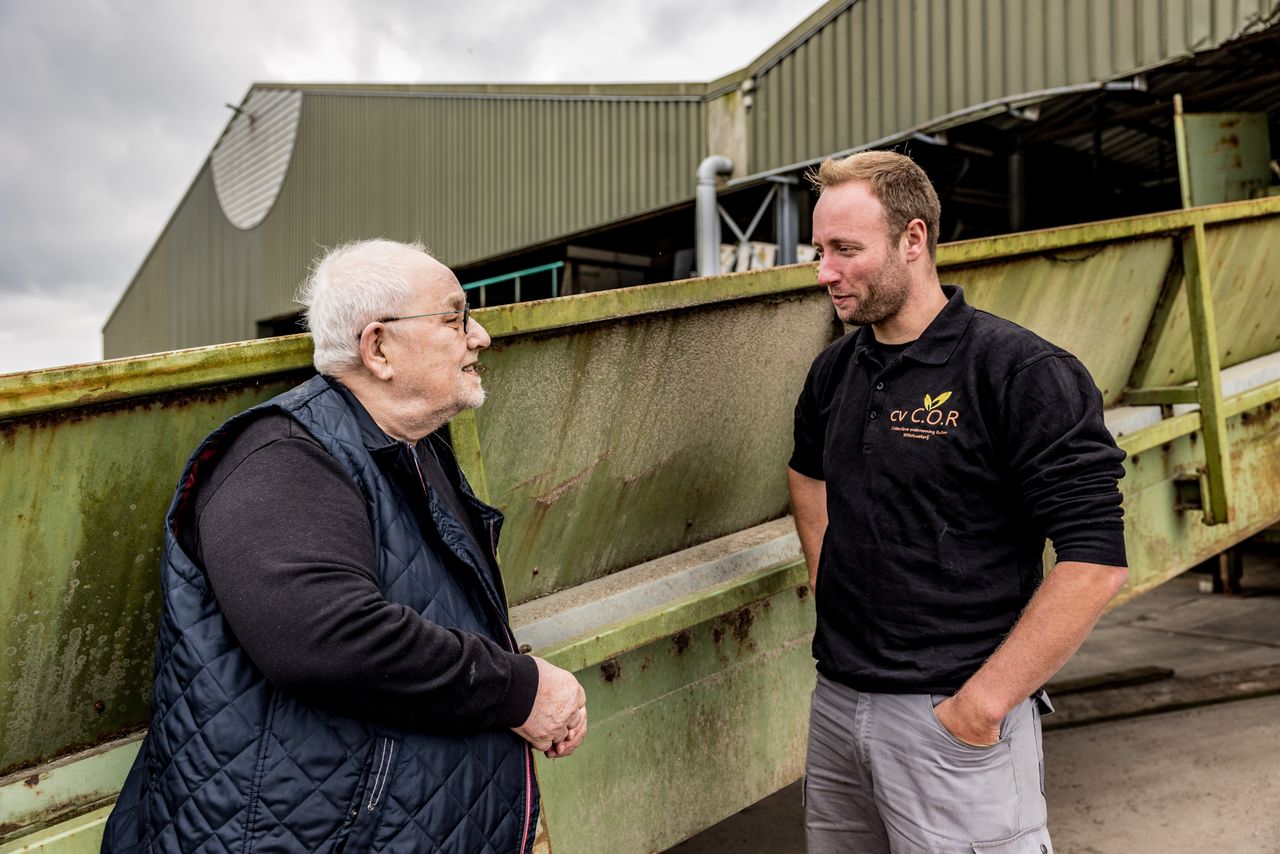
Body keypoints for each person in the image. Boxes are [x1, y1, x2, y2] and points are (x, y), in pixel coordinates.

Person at [103, 239, 586, 853]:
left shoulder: (415, 449)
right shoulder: (282, 456)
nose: (480, 335)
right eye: (455, 316)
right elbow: (326, 638)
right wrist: (519, 690)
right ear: (378, 347)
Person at [788, 152, 1128, 853]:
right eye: (820, 250)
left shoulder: (1020, 372)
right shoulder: (836, 370)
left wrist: (980, 707)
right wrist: (833, 585)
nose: (824, 271)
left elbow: (1094, 561)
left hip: (953, 720)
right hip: (839, 705)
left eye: (846, 250)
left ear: (914, 240)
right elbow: (806, 476)